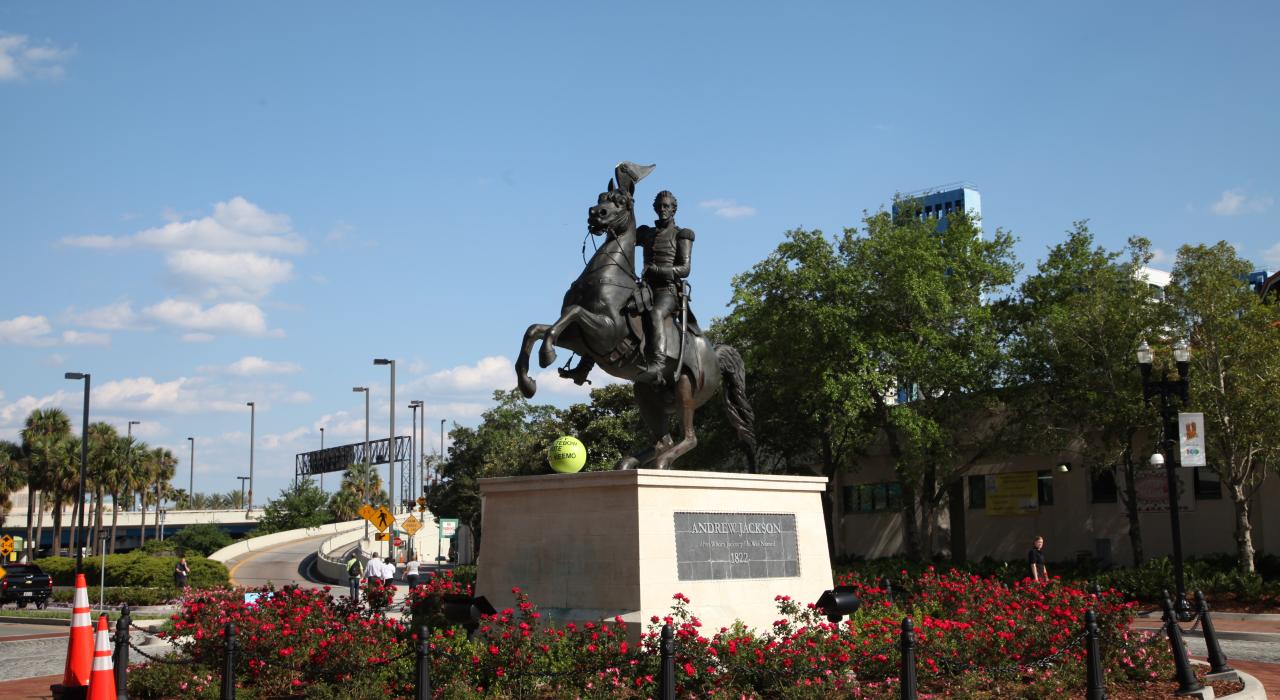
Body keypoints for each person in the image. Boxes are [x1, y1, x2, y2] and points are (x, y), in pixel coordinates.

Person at [635, 190, 694, 384]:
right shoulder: (646, 233)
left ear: (673, 209)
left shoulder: (682, 234)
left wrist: (658, 270)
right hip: (645, 288)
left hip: (667, 292)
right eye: (660, 206)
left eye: (666, 206)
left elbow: (685, 269)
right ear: (654, 208)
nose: (662, 209)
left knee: (655, 314)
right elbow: (623, 235)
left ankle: (657, 364)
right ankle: (585, 366)